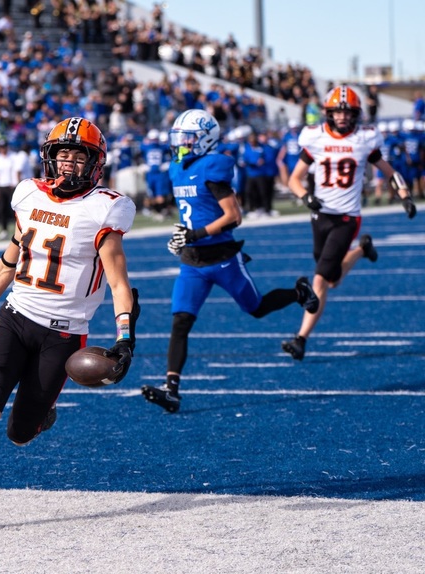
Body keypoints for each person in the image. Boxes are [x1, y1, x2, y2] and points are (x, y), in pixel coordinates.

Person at [0, 117, 139, 538]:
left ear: (94, 163)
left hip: (64, 334)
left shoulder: (105, 207)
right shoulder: (28, 195)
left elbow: (119, 280)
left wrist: (125, 338)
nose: (67, 164)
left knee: (19, 434)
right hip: (14, 319)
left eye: (77, 156)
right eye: (61, 155)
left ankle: (40, 415)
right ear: (49, 158)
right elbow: (10, 261)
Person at [140, 110, 320, 414]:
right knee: (180, 322)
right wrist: (183, 234)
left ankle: (299, 292)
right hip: (193, 261)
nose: (181, 143)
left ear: (205, 139)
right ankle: (171, 389)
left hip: (223, 258)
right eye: (179, 138)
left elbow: (234, 216)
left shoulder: (214, 165)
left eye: (188, 138)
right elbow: (190, 211)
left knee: (257, 308)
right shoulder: (176, 168)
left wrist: (194, 233)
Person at [281, 86, 417, 361]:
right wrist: (305, 197)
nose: (342, 116)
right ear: (328, 113)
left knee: (319, 278)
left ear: (356, 114)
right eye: (337, 111)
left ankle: (301, 338)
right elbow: (293, 179)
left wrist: (405, 195)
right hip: (319, 215)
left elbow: (390, 172)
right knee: (331, 281)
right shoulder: (315, 138)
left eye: (347, 111)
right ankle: (361, 250)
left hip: (347, 218)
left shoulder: (364, 140)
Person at [0, 138, 18, 240]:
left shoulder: (13, 157)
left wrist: (16, 183)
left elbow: (17, 172)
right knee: (2, 210)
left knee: (15, 210)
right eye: (1, 147)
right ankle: (4, 230)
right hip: (2, 186)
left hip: (11, 186)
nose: (3, 149)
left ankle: (18, 230)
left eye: (4, 147)